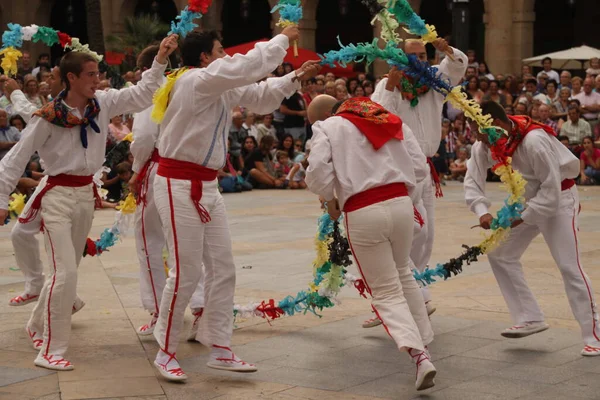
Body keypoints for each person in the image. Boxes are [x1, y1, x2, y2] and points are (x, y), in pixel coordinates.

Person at [151, 27, 320, 381]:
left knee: (223, 267)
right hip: (178, 182)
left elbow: (259, 96)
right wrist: (281, 39)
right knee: (185, 272)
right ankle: (165, 351)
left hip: (206, 183)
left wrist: (294, 78)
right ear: (204, 58)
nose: (226, 54)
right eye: (220, 49)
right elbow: (247, 66)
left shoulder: (218, 84)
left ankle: (220, 346)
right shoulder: (196, 80)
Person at [0, 35, 177, 371]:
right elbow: (15, 158)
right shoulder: (47, 117)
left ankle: (36, 325)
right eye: (91, 74)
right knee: (64, 272)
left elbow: (141, 94)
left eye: (97, 74)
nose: (98, 79)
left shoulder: (104, 103)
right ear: (71, 78)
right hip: (56, 197)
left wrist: (160, 61)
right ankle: (50, 349)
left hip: (85, 196)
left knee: (68, 272)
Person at [305, 95, 436, 391]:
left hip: (363, 210)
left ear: (326, 114)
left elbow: (316, 175)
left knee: (386, 291)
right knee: (404, 274)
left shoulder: (329, 127)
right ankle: (425, 343)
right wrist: (407, 199)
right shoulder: (386, 117)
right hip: (401, 203)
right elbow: (419, 167)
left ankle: (419, 355)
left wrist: (331, 199)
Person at [465, 101, 600, 357]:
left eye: (478, 127)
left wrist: (524, 217)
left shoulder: (534, 141)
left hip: (559, 200)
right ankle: (530, 316)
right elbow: (472, 179)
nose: (476, 135)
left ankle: (595, 335)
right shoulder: (484, 144)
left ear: (493, 121)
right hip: (524, 202)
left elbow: (550, 191)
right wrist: (482, 211)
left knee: (570, 267)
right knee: (500, 254)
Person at [371, 38, 467, 311]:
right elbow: (379, 118)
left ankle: (413, 290)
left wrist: (447, 49)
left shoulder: (435, 80)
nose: (418, 61)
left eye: (423, 55)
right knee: (414, 229)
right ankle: (410, 295)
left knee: (428, 234)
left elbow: (458, 67)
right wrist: (391, 85)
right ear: (400, 58)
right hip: (398, 168)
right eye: (412, 55)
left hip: (426, 166)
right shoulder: (386, 84)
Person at [127, 45, 206, 338]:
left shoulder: (150, 90)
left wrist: (136, 170)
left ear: (146, 69)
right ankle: (200, 308)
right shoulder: (187, 84)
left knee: (149, 240)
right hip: (189, 170)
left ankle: (159, 310)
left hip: (157, 166)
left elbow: (145, 136)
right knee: (186, 241)